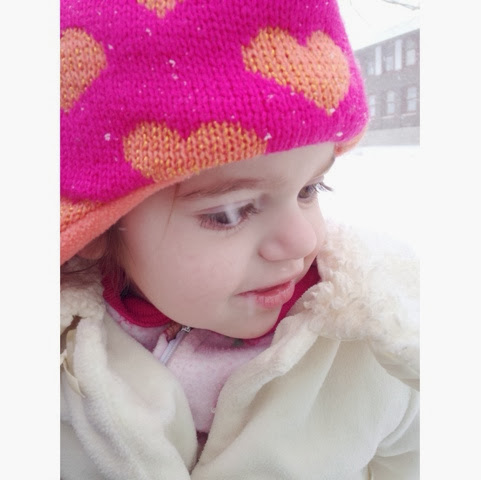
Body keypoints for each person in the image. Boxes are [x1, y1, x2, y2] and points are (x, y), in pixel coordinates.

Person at [60, 0, 419, 479]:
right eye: (229, 213)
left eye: (310, 190)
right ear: (98, 224)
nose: (301, 241)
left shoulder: (376, 350)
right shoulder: (64, 369)